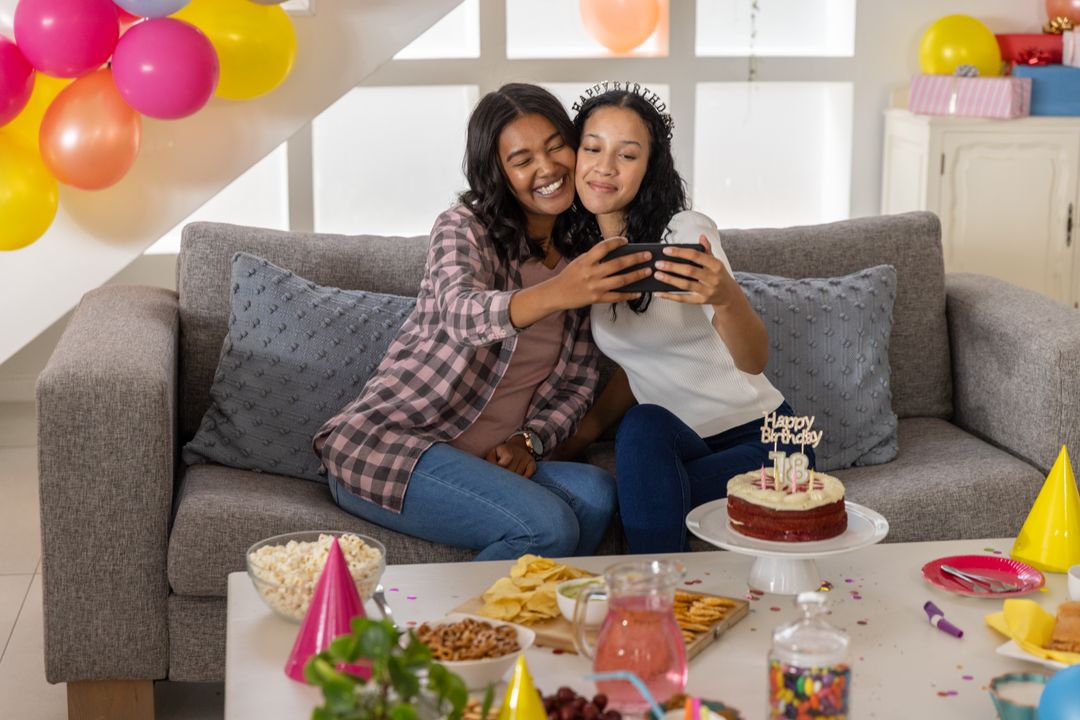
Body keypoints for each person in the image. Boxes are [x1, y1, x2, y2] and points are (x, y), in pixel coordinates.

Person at [314, 83, 653, 561]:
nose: (547, 167)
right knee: (548, 527)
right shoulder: (464, 226)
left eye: (556, 145)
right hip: (391, 447)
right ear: (497, 173)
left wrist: (527, 440)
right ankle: (449, 635)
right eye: (522, 160)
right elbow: (461, 313)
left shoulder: (579, 253)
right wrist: (563, 290)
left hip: (482, 463)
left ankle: (535, 631)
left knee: (596, 492)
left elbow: (576, 383)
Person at [555, 86, 813, 554]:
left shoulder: (685, 232)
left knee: (639, 493)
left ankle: (650, 605)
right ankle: (664, 602)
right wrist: (571, 442)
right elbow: (641, 368)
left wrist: (728, 297)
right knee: (641, 427)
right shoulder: (581, 258)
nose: (605, 166)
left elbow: (753, 361)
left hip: (768, 438)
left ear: (650, 167)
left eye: (627, 155)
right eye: (592, 148)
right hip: (681, 441)